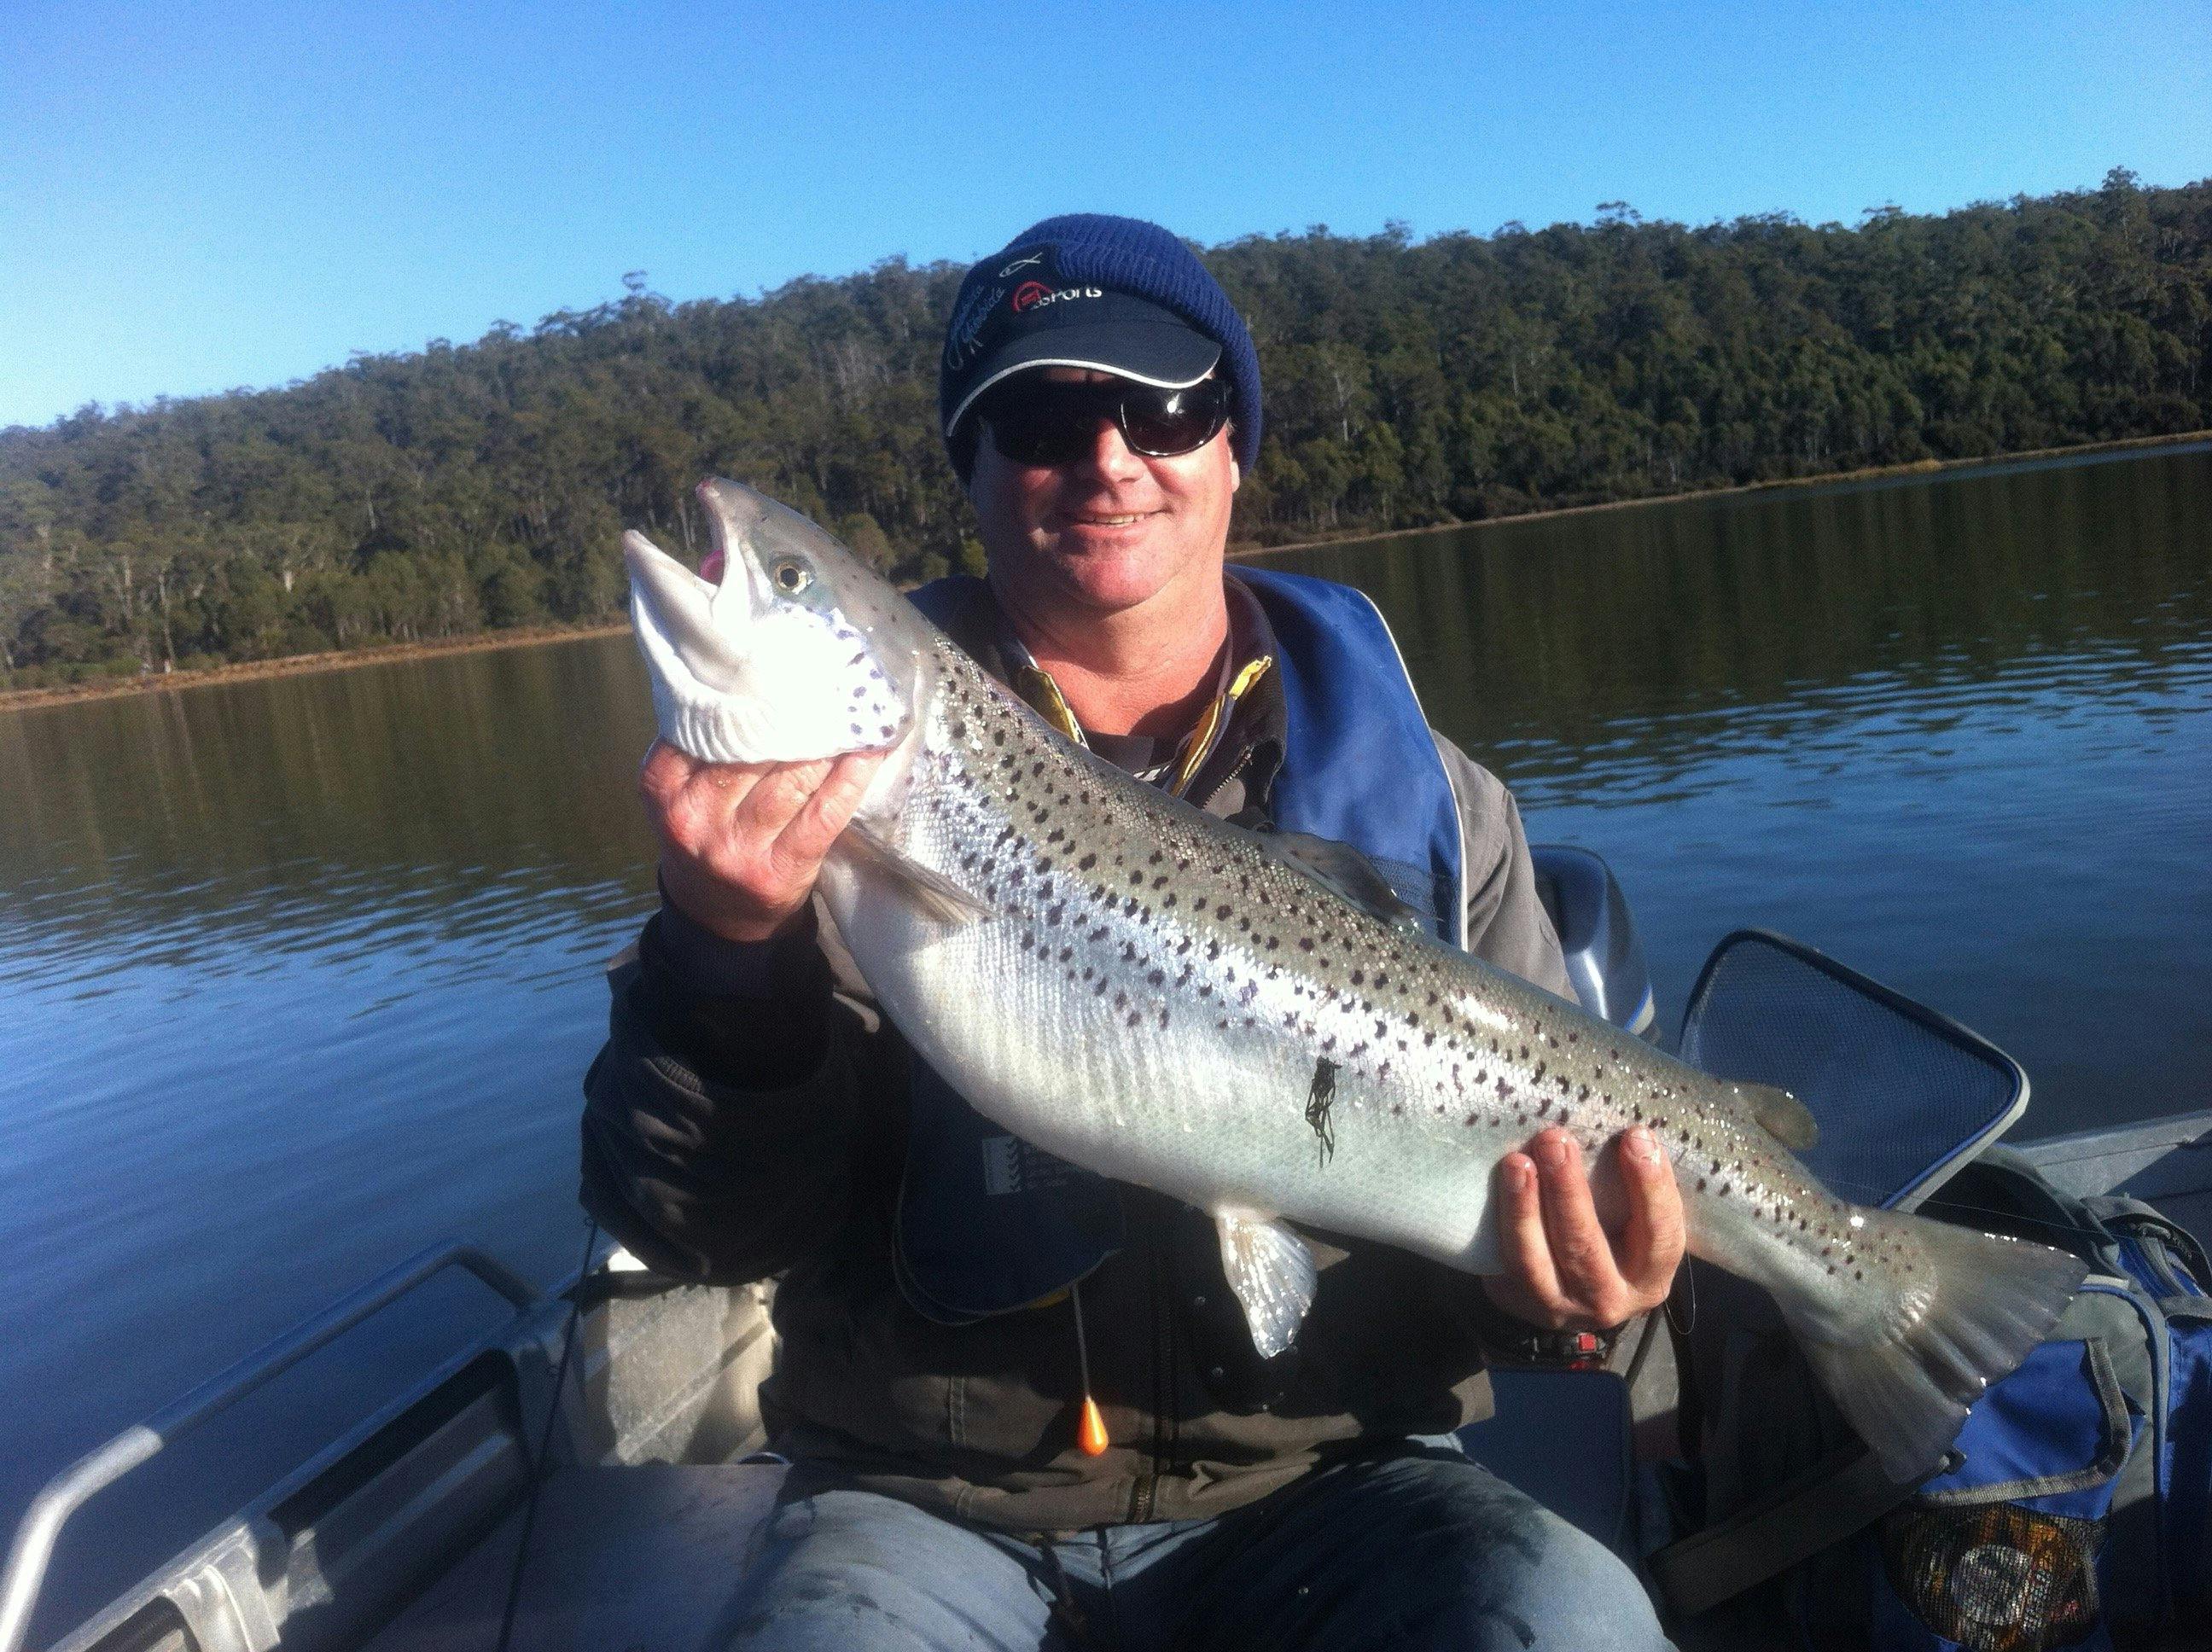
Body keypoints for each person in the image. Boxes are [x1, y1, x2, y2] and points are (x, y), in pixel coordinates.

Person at [582, 213, 1682, 1649]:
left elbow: (1530, 1292)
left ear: (1232, 447)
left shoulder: (1441, 807)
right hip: (923, 1509)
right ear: (971, 471)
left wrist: (1573, 1298)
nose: (1111, 460)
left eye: (1165, 407)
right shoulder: (807, 825)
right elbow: (707, 1231)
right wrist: (726, 954)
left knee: (1572, 1627)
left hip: (1342, 1485)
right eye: (1043, 416)